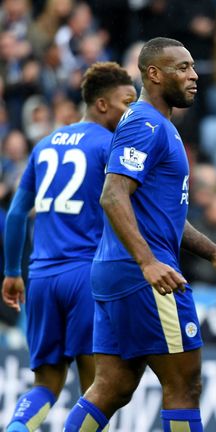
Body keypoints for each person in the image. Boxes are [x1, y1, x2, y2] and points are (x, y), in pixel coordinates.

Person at [63, 37, 216, 432]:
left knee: (112, 386)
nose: (194, 75)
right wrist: (148, 262)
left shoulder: (156, 125)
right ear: (153, 73)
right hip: (144, 275)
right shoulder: (146, 122)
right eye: (182, 67)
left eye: (193, 67)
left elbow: (165, 216)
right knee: (184, 384)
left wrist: (214, 253)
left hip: (116, 270)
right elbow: (112, 196)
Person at [1, 62, 136, 432]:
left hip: (41, 277)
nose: (132, 111)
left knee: (46, 384)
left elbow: (15, 214)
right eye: (127, 102)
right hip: (86, 276)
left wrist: (13, 272)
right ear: (103, 104)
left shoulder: (44, 145)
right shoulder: (111, 146)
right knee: (98, 388)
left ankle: (16, 428)